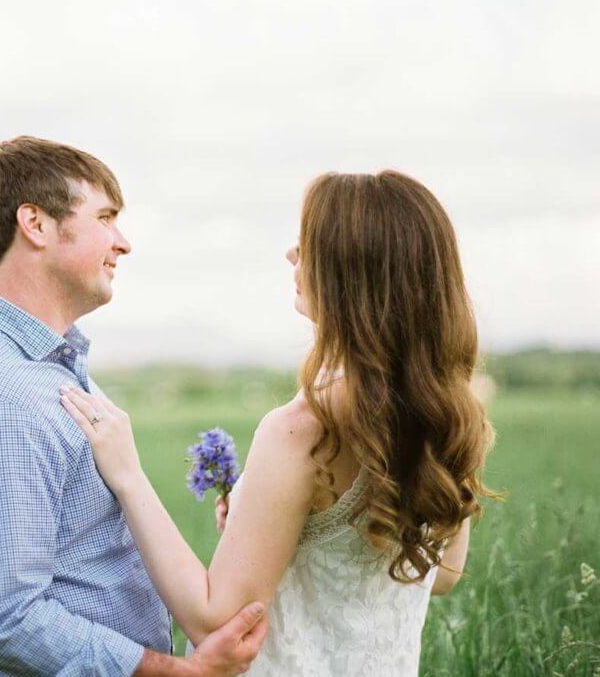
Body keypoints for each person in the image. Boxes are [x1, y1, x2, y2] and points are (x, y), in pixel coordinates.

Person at [61, 170, 497, 676]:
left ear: (353, 272)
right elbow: (441, 575)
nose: (292, 253)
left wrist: (128, 477)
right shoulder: (448, 412)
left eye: (310, 241)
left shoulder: (303, 431)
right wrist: (276, 529)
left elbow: (216, 619)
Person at [0, 136, 268, 677]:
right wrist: (180, 673)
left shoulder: (52, 366)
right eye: (105, 217)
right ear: (36, 224)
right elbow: (7, 623)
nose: (122, 242)